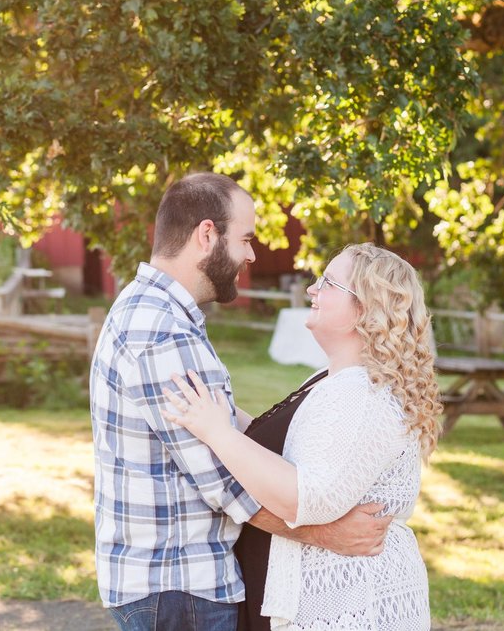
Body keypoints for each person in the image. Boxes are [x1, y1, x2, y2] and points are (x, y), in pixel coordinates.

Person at [90, 174, 394, 631]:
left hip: (173, 585)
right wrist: (329, 534)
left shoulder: (157, 313)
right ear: (206, 235)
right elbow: (226, 484)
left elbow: (230, 431)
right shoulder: (161, 331)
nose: (252, 255)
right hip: (180, 587)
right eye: (245, 239)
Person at [162, 242, 440, 630]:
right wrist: (214, 411)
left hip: (347, 606)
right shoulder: (333, 381)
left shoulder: (362, 395)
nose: (312, 290)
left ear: (363, 309)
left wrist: (216, 431)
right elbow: (274, 445)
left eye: (327, 283)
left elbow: (305, 499)